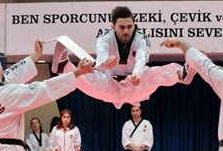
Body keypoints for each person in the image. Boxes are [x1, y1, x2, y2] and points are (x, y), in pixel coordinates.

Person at [52, 6, 196, 109]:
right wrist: (104, 62)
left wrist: (137, 75)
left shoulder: (142, 39)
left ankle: (181, 74)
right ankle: (64, 67)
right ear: (112, 27)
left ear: (134, 25)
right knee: (88, 77)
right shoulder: (104, 38)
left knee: (153, 73)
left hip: (136, 87)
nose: (126, 31)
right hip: (112, 86)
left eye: (129, 26)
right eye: (122, 27)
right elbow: (101, 55)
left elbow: (141, 59)